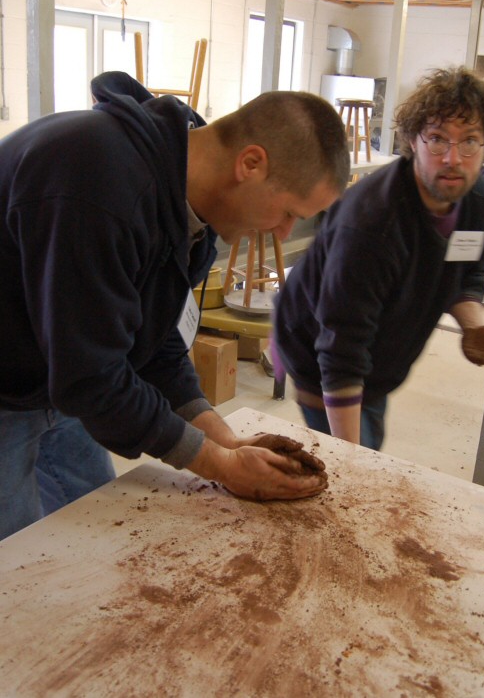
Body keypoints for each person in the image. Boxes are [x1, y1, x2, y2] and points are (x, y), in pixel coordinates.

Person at [0, 71, 350, 539]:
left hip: (54, 372)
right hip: (13, 379)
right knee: (16, 565)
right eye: (289, 213)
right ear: (251, 163)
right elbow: (92, 380)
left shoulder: (189, 207)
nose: (285, 234)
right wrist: (223, 466)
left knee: (90, 534)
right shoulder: (93, 179)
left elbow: (157, 339)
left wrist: (223, 440)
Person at [273, 66, 484, 451]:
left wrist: (472, 324)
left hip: (379, 350)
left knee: (370, 428)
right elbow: (341, 350)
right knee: (348, 466)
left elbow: (467, 273)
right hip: (317, 349)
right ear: (413, 142)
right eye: (437, 139)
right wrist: (352, 462)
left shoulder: (475, 202)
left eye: (469, 141)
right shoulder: (372, 224)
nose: (453, 158)